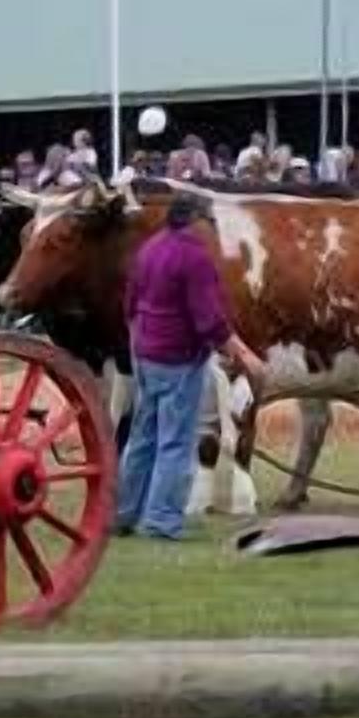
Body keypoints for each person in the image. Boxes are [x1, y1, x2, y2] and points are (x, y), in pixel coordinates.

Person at [117, 191, 268, 542]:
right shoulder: (194, 257)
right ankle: (161, 520)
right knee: (175, 442)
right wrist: (245, 356)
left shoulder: (151, 247)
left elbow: (130, 303)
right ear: (197, 221)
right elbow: (210, 320)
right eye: (211, 222)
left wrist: (139, 341)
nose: (214, 230)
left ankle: (125, 513)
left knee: (142, 437)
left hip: (145, 352)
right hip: (178, 358)